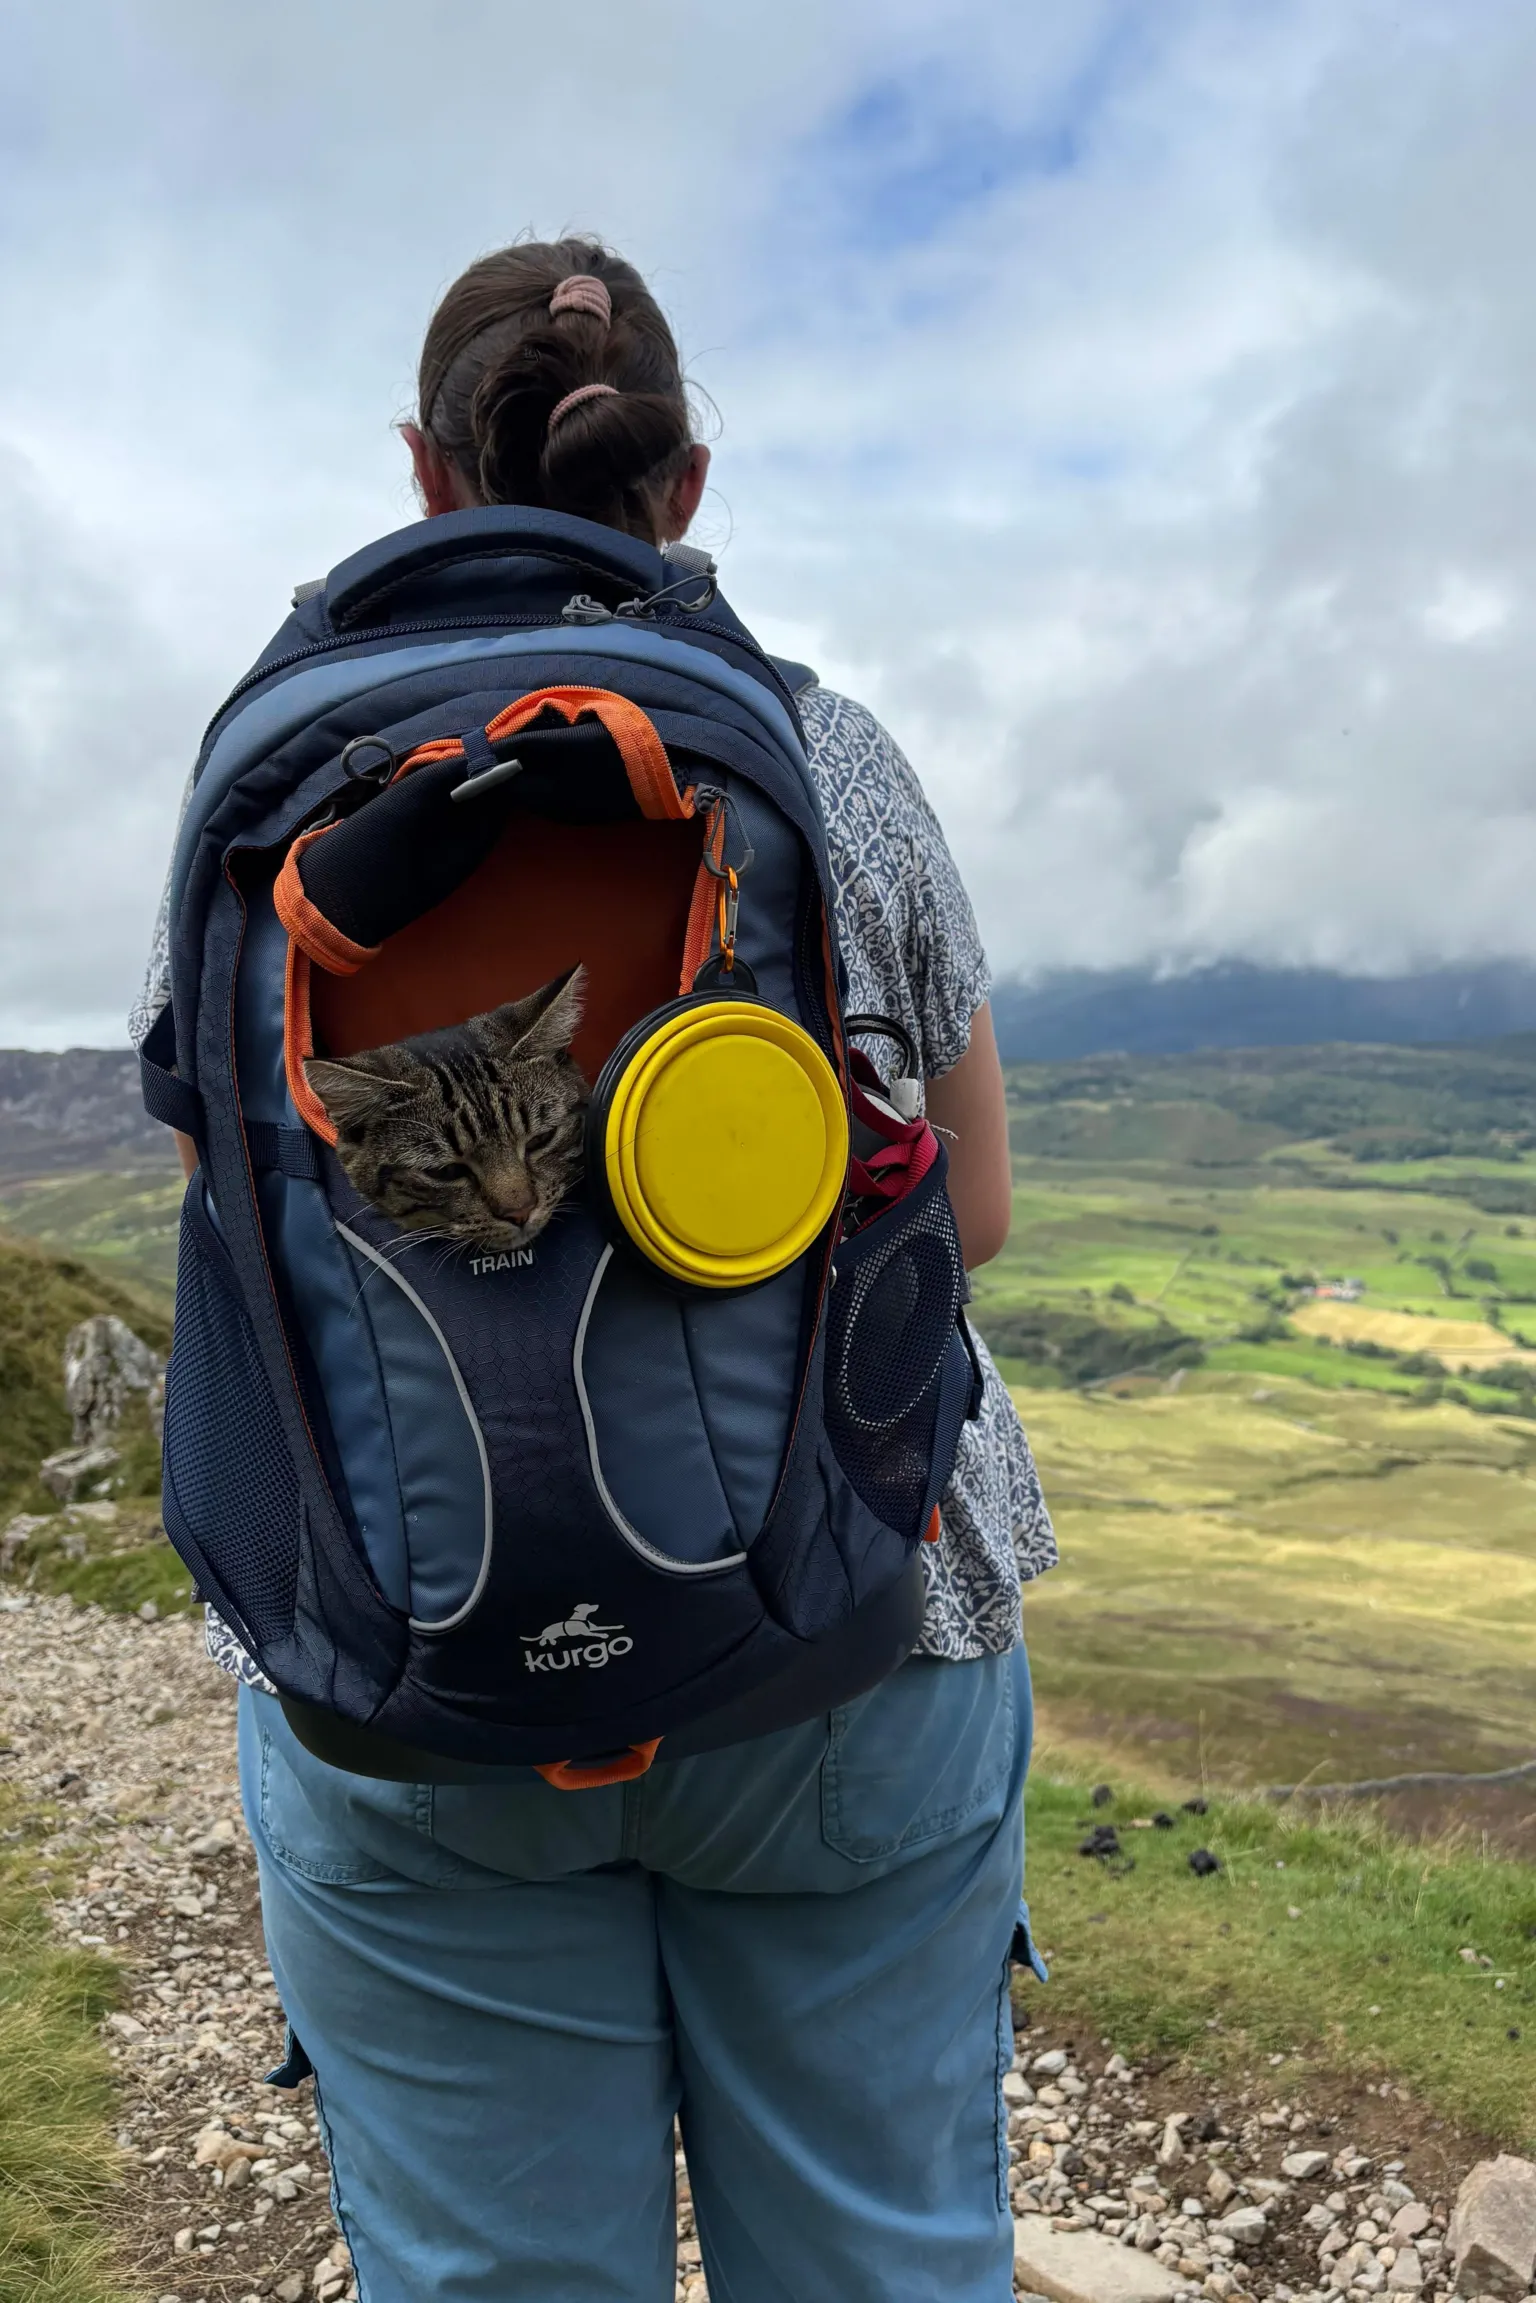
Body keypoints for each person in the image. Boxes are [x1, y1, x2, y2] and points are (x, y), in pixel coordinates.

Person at [132, 237, 1057, 2303]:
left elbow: (240, 1221)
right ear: (686, 485)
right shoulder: (835, 761)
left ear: (420, 469)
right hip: (852, 1628)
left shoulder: (260, 772)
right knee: (886, 2265)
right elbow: (968, 1215)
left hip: (406, 1668)